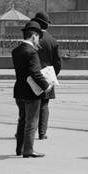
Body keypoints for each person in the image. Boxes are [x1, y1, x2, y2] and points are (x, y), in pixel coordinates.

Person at [11, 21, 51, 157]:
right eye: (38, 37)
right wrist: (46, 86)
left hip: (19, 90)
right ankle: (28, 150)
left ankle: (19, 149)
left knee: (22, 120)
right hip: (31, 92)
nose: (38, 40)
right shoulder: (32, 52)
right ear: (34, 36)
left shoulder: (16, 51)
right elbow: (35, 73)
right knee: (32, 121)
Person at [30, 11, 62, 145]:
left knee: (30, 104)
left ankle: (27, 131)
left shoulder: (32, 39)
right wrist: (53, 74)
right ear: (47, 25)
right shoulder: (53, 41)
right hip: (48, 75)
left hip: (33, 74)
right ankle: (42, 133)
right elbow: (58, 62)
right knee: (44, 104)